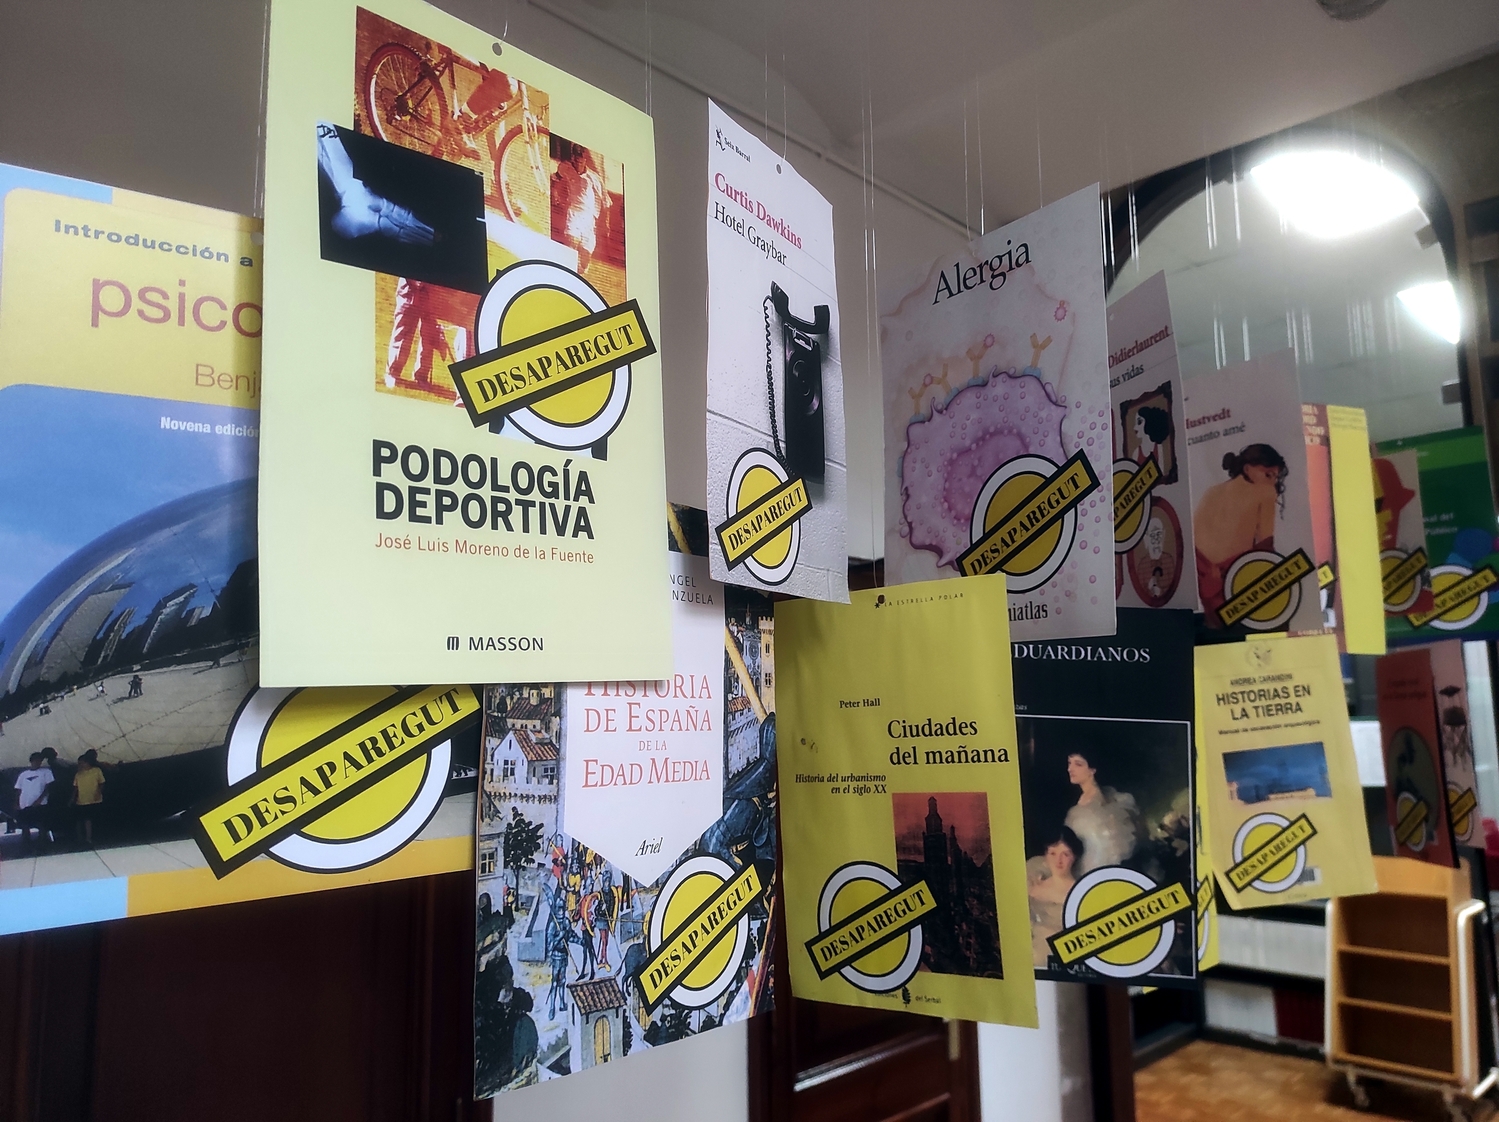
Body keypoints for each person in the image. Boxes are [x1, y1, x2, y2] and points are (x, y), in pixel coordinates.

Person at [1193, 444, 1288, 622]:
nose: (1273, 482)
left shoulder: (1212, 491)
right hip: (1231, 575)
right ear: (1247, 469)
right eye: (1268, 474)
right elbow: (1265, 545)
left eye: (1276, 477)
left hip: (1200, 571)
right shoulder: (1265, 491)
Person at [1063, 750, 1142, 874]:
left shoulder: (1101, 799)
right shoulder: (1081, 802)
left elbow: (1112, 840)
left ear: (1092, 770)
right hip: (1087, 863)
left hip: (1106, 862)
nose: (1070, 769)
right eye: (1069, 763)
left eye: (1078, 764)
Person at [1027, 826, 1084, 967]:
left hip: (1061, 957)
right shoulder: (1034, 884)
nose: (1059, 860)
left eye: (1066, 854)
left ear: (1074, 857)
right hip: (1030, 953)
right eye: (1053, 853)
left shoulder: (1080, 892)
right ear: (1045, 855)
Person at [553, 144, 608, 273]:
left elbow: (606, 202)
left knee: (583, 264)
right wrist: (554, 192)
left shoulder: (595, 179)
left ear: (585, 160)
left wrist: (606, 224)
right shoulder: (565, 167)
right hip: (574, 212)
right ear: (573, 158)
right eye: (576, 161)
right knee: (572, 243)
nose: (578, 164)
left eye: (580, 161)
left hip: (589, 219)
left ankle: (579, 269)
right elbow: (556, 178)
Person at [13, 752, 54, 847]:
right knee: (25, 825)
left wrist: (40, 799)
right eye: (35, 760)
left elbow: (48, 787)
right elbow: (18, 790)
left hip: (40, 804)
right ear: (31, 761)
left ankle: (42, 843)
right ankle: (26, 843)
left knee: (41, 823)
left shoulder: (46, 772)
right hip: (24, 804)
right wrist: (16, 802)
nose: (37, 762)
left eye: (39, 760)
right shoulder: (23, 774)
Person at [72, 749, 106, 846]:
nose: (80, 765)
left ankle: (91, 838)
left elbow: (102, 783)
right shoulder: (78, 774)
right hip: (81, 801)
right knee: (83, 820)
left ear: (87, 762)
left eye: (81, 763)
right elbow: (75, 787)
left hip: (95, 800)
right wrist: (72, 799)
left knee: (92, 819)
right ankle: (83, 838)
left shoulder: (96, 770)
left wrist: (98, 792)